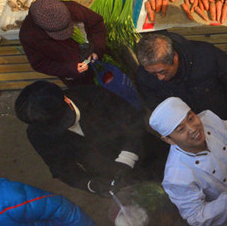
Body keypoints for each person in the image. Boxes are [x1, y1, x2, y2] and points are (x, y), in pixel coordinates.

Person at [14, 80, 168, 198]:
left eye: (64, 121)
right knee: (148, 200)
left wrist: (126, 159)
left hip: (146, 150)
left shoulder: (94, 96)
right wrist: (91, 184)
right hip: (109, 174)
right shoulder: (38, 135)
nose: (65, 129)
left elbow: (133, 122)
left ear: (67, 100)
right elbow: (63, 169)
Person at [148, 97, 227, 226]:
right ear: (169, 140)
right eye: (181, 129)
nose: (193, 129)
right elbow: (195, 215)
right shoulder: (176, 177)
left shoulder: (209, 120)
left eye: (191, 118)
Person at [135, 31, 227, 121]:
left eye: (163, 72)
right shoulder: (144, 77)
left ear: (175, 57)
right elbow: (157, 107)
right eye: (153, 74)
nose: (160, 78)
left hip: (224, 120)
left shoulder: (206, 55)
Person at [19, 0, 107, 87]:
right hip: (70, 71)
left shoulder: (71, 8)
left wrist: (97, 49)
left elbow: (96, 23)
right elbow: (40, 63)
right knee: (82, 87)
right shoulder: (29, 36)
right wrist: (69, 69)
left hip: (89, 54)